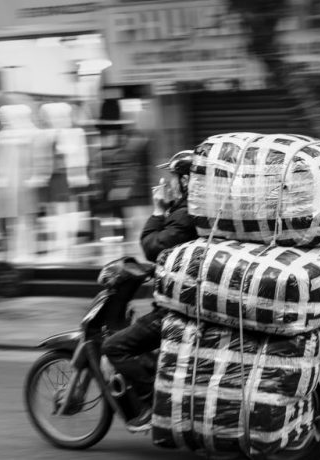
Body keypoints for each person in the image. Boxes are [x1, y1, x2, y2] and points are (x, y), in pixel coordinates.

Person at [101, 150, 198, 431]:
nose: (170, 182)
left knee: (113, 346)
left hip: (175, 310)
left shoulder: (185, 214)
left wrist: (157, 210)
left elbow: (154, 247)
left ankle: (153, 405)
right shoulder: (192, 211)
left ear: (187, 180)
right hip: (184, 299)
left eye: (175, 177)